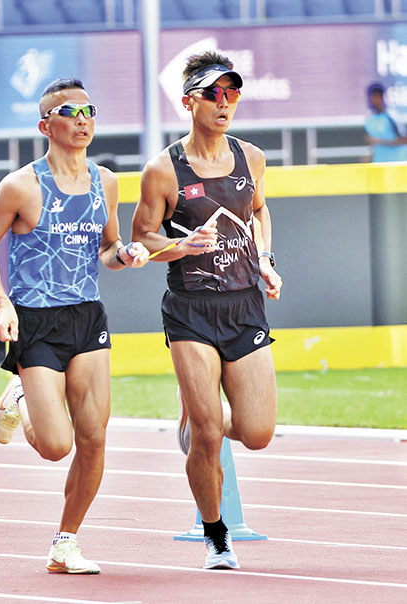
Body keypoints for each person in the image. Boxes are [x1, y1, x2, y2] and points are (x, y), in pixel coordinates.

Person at [0, 78, 149, 574]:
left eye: (89, 111)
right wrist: (2, 304)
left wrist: (126, 254)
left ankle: (65, 542)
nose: (82, 120)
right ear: (45, 125)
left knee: (94, 438)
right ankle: (19, 396)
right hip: (35, 320)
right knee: (55, 446)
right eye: (70, 112)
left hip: (87, 316)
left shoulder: (106, 181)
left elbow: (108, 248)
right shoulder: (21, 186)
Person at [130, 50, 283, 570]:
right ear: (188, 101)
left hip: (245, 305)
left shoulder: (251, 158)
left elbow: (258, 211)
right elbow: (143, 237)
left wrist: (266, 261)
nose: (225, 102)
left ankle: (196, 420)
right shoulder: (162, 170)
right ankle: (217, 535)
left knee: (258, 433)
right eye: (214, 93)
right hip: (191, 309)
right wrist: (181, 245)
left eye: (232, 92)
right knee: (209, 432)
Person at [364, 82, 407, 162]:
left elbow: (404, 140)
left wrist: (380, 141)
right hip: (379, 163)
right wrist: (369, 158)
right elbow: (373, 144)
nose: (372, 100)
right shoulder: (369, 119)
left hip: (396, 163)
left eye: (375, 96)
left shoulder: (392, 116)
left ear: (381, 97)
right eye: (371, 96)